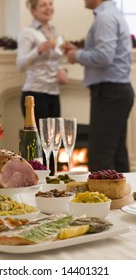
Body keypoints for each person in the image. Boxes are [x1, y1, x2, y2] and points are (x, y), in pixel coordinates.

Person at [63, 0, 134, 173]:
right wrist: (80, 50)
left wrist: (76, 55)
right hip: (116, 91)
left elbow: (104, 56)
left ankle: (101, 199)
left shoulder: (104, 17)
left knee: (100, 155)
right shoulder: (113, 14)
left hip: (109, 92)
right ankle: (124, 199)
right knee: (117, 154)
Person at [16, 0, 68, 131]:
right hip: (35, 94)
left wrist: (62, 70)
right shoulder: (27, 33)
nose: (48, 8)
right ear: (33, 10)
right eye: (43, 5)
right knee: (39, 145)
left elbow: (58, 59)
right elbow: (20, 64)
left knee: (54, 143)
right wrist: (37, 50)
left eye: (50, 4)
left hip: (54, 93)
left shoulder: (54, 32)